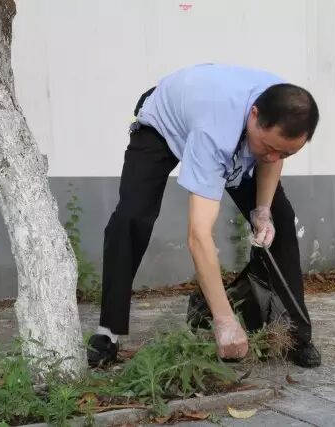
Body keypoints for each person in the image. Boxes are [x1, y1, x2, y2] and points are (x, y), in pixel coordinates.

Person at [87, 63, 321, 368]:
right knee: (132, 218)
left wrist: (262, 210)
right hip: (163, 124)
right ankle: (108, 331)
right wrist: (225, 321)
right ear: (254, 115)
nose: (274, 157)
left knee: (281, 218)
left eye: (286, 153)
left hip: (224, 123)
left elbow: (271, 157)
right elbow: (198, 236)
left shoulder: (285, 106)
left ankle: (294, 332)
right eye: (269, 147)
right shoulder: (215, 131)